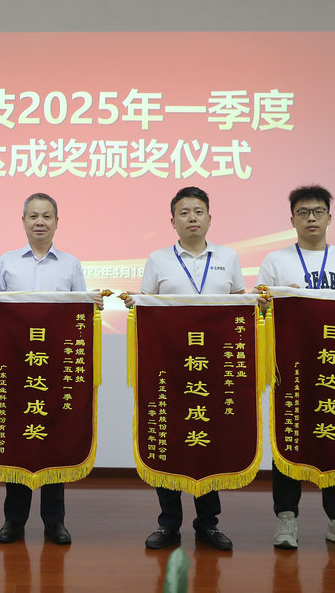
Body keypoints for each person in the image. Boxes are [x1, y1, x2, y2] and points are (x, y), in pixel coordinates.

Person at [256, 185, 335, 551]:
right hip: (291, 367)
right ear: (292, 219)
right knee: (288, 435)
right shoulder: (275, 261)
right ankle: (286, 516)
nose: (311, 218)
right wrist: (275, 299)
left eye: (318, 211)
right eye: (303, 212)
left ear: (329, 218)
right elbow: (259, 310)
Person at [0, 192, 103, 546]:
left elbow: (80, 315)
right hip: (17, 368)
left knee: (55, 440)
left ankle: (55, 522)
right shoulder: (7, 261)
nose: (40, 222)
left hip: (55, 368)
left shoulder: (70, 264)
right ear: (23, 221)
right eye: (34, 216)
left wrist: (93, 303)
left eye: (47, 216)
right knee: (18, 441)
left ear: (56, 222)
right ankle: (14, 521)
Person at [134, 186, 244, 551]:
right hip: (170, 370)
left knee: (209, 442)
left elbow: (239, 309)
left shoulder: (228, 257)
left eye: (198, 211)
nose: (192, 217)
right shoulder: (158, 259)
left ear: (210, 218)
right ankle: (168, 524)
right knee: (168, 440)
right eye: (184, 212)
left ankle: (208, 524)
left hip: (214, 370)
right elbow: (145, 310)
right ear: (173, 221)